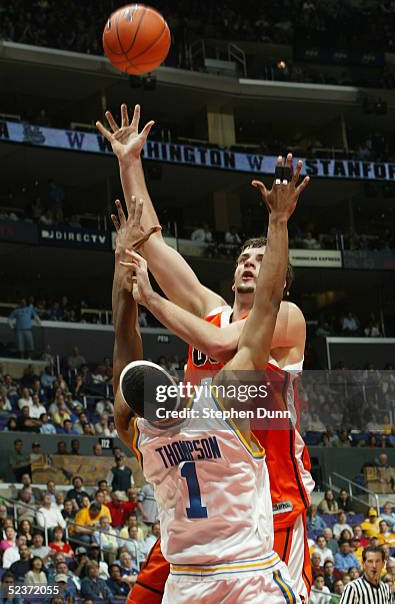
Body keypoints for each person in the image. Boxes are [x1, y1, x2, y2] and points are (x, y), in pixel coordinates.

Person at [103, 104, 312, 601]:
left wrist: (151, 299)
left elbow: (219, 344)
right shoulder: (209, 309)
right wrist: (129, 164)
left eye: (261, 259)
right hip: (203, 489)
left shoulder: (286, 318)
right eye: (243, 256)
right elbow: (152, 244)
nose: (248, 263)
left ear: (279, 277)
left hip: (273, 498)